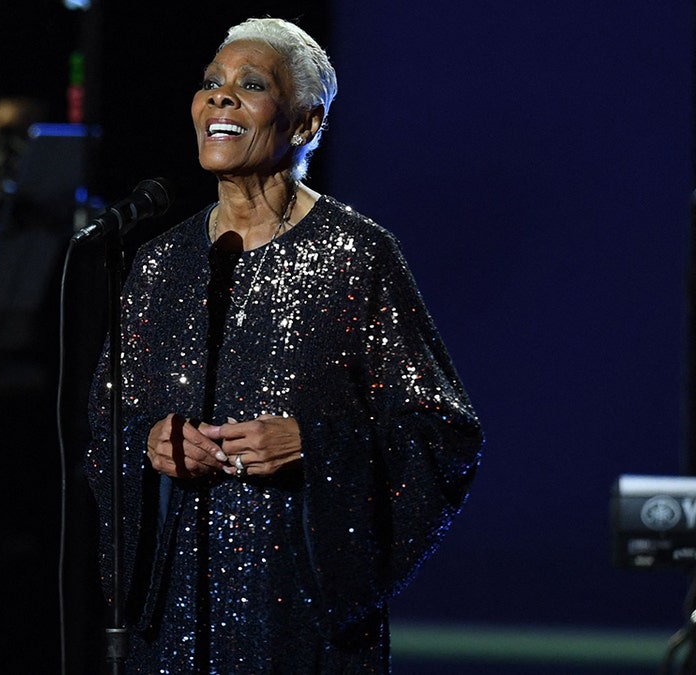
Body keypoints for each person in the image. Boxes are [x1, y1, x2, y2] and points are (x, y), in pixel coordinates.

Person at [84, 17, 483, 673]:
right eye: (211, 83)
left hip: (303, 625)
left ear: (304, 123)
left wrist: (312, 442)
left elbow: (443, 437)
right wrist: (149, 442)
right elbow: (107, 425)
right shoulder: (160, 264)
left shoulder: (356, 256)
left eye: (250, 84)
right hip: (176, 619)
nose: (220, 98)